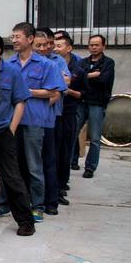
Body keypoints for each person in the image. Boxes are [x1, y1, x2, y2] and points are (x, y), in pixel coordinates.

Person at [0, 32, 35, 236]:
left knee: (12, 177)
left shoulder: (11, 71)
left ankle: (25, 221)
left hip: (3, 131)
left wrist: (11, 128)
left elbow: (20, 101)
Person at [8, 22, 65, 223]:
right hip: (12, 121)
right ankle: (9, 203)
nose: (14, 40)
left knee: (34, 166)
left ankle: (38, 205)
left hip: (35, 121)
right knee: (12, 165)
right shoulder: (9, 64)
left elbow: (53, 91)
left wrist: (27, 92)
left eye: (18, 37)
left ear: (30, 39)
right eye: (13, 37)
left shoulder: (47, 65)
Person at [34, 29, 69, 215]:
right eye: (38, 45)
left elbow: (58, 91)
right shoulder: (20, 63)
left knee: (49, 160)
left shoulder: (56, 62)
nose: (43, 48)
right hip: (28, 120)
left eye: (46, 44)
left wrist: (37, 105)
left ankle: (51, 201)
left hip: (48, 119)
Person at [78, 34, 115, 178]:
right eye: (91, 45)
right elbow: (77, 78)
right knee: (73, 132)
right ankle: (72, 161)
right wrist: (92, 75)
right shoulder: (83, 62)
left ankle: (90, 167)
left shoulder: (108, 63)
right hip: (82, 101)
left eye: (96, 45)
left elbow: (103, 81)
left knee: (94, 138)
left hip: (97, 103)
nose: (93, 47)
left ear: (103, 46)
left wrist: (85, 77)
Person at [53, 31, 84, 202]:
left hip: (69, 112)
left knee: (65, 150)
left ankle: (61, 183)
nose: (55, 48)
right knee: (53, 151)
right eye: (54, 45)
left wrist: (67, 90)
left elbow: (83, 94)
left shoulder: (78, 68)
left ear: (69, 48)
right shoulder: (49, 63)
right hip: (54, 113)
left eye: (59, 45)